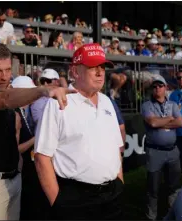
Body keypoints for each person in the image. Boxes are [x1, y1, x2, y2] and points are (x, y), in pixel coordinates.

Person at [0, 42, 76, 220]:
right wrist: (42, 90)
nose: (4, 76)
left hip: (13, 180)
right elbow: (6, 99)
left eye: (8, 70)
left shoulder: (7, 90)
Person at [34, 43, 124, 219]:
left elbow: (116, 147)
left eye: (103, 67)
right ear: (75, 71)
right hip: (76, 198)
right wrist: (58, 202)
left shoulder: (107, 101)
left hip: (112, 194)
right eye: (92, 67)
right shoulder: (57, 103)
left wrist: (120, 182)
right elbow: (42, 157)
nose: (100, 73)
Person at [141, 74, 182, 220]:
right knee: (153, 188)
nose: (158, 88)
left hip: (173, 151)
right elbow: (152, 123)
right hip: (155, 152)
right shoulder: (146, 105)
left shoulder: (171, 104)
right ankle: (151, 217)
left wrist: (161, 122)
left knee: (174, 186)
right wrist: (171, 118)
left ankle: (172, 214)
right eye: (155, 86)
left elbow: (180, 123)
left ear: (166, 88)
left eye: (160, 86)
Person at [11, 76, 50, 220]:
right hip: (22, 174)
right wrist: (36, 138)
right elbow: (15, 149)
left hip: (28, 171)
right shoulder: (14, 113)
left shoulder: (24, 111)